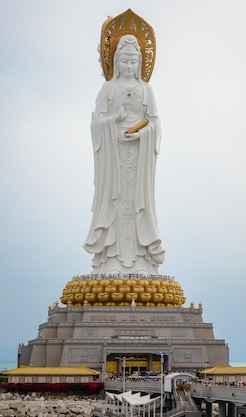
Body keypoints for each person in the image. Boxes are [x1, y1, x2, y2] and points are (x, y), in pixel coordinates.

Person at [84, 34, 165, 275]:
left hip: (139, 156)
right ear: (116, 61)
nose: (129, 67)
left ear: (139, 63)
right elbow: (96, 124)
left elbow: (155, 125)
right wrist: (115, 120)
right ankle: (111, 260)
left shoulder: (146, 90)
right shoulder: (108, 88)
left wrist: (143, 134)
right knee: (115, 203)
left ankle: (141, 261)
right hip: (113, 156)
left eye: (133, 62)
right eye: (125, 61)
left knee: (138, 204)